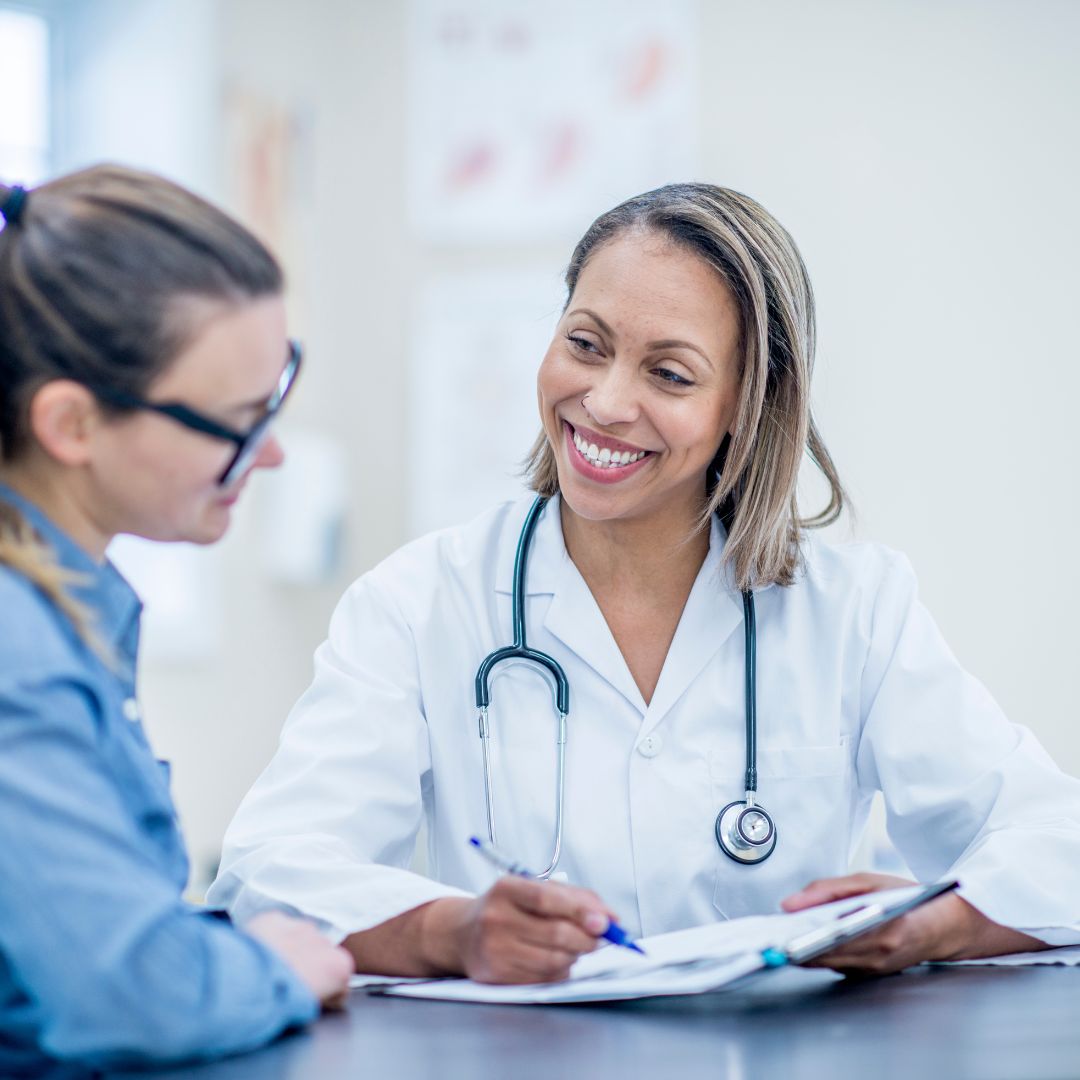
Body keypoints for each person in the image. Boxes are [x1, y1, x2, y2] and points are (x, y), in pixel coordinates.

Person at [209, 183, 1080, 985]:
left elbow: (1057, 845)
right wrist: (453, 930)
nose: (606, 401)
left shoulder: (853, 611)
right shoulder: (421, 602)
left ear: (748, 402)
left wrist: (932, 926)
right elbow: (270, 870)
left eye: (669, 373)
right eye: (585, 345)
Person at [0, 167, 353, 1076]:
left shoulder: (62, 607)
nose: (268, 454)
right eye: (238, 421)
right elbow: (130, 995)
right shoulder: (18, 648)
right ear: (71, 423)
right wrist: (267, 968)